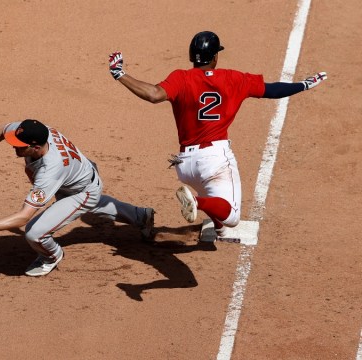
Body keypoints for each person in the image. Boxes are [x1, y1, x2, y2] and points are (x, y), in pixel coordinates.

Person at [108, 31, 327, 238]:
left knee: (218, 202)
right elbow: (273, 91)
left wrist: (120, 74)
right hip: (214, 161)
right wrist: (304, 84)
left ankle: (218, 229)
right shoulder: (233, 78)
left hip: (185, 165)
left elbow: (154, 95)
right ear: (214, 57)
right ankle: (197, 203)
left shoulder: (180, 78)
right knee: (232, 215)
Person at [0, 119, 155, 276]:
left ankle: (51, 256)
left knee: (35, 233)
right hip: (79, 176)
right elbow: (1, 130)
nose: (13, 147)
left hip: (81, 191)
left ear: (35, 147)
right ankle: (140, 216)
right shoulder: (38, 131)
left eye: (19, 145)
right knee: (90, 204)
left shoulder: (50, 170)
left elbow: (24, 217)